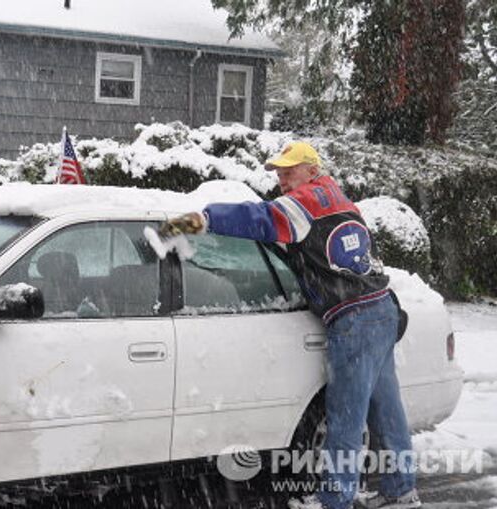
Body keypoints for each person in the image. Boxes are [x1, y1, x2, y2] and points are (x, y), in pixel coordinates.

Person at [161, 142, 419, 509]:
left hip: (353, 317)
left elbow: (259, 219)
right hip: (381, 309)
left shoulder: (305, 202)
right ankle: (401, 490)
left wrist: (202, 219)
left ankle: (333, 499)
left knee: (345, 415)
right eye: (279, 173)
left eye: (289, 171)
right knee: (386, 410)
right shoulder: (339, 199)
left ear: (312, 170)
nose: (282, 180)